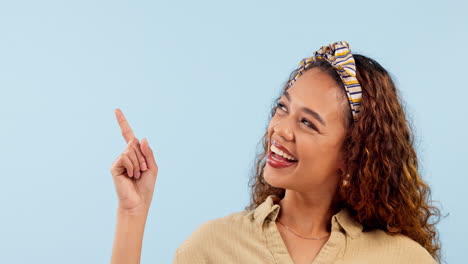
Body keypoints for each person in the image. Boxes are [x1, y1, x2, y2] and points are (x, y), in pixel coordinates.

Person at [109, 41, 442, 264]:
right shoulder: (212, 246)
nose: (280, 129)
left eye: (308, 123)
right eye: (282, 108)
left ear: (352, 153)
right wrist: (132, 213)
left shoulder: (403, 258)